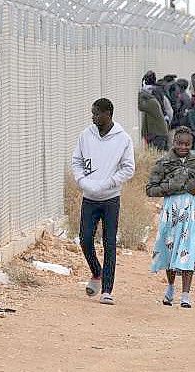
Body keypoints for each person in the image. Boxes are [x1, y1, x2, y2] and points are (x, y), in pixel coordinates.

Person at [71, 98, 136, 305]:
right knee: (85, 238)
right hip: (89, 197)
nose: (93, 117)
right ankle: (96, 272)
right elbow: (77, 161)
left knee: (109, 242)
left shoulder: (123, 139)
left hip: (110, 199)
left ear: (108, 114)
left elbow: (128, 168)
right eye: (92, 113)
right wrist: (82, 181)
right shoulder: (86, 135)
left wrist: (109, 183)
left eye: (97, 113)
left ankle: (107, 290)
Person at [146, 127, 195, 308]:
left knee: (188, 248)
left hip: (190, 210)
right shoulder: (164, 162)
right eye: (180, 143)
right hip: (170, 210)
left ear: (191, 145)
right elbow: (150, 189)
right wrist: (170, 187)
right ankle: (171, 287)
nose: (183, 147)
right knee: (170, 248)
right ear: (173, 143)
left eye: (187, 144)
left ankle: (186, 295)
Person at [139, 85, 170, 151]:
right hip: (158, 134)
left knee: (157, 153)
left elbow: (141, 106)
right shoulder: (153, 102)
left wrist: (140, 95)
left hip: (158, 135)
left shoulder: (152, 102)